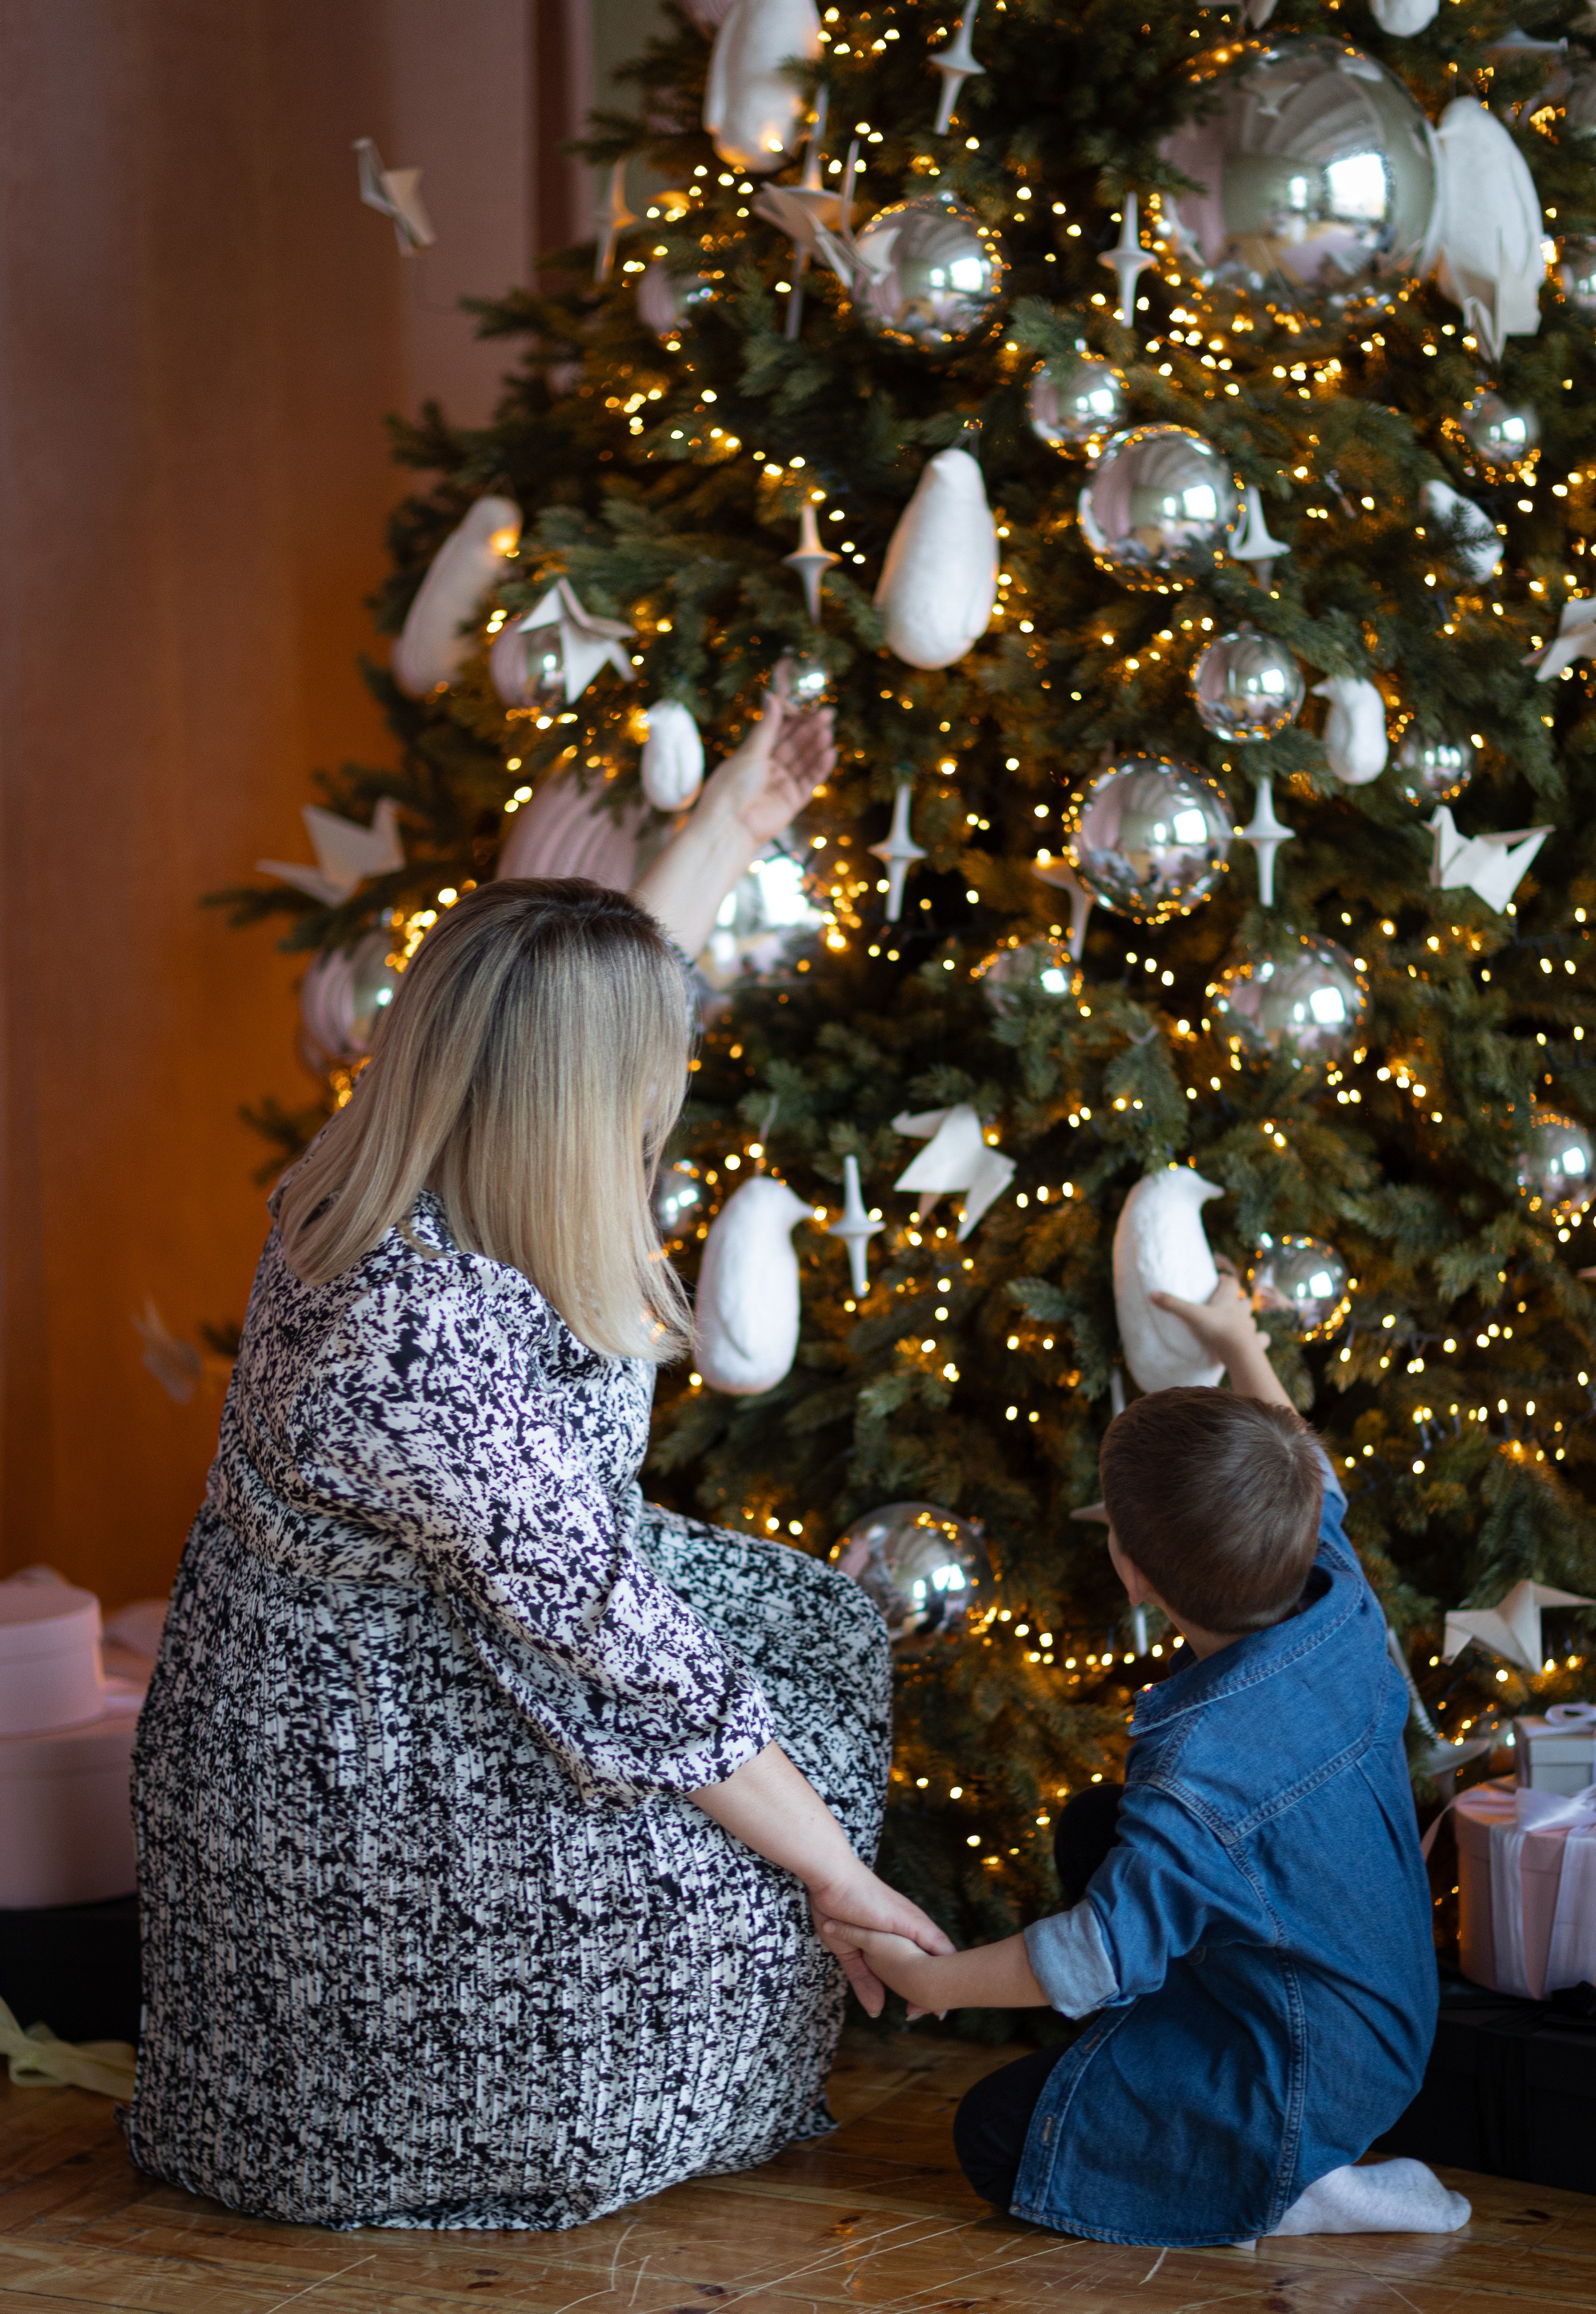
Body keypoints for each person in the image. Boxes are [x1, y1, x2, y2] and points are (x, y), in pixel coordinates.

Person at [130, 696, 950, 2231]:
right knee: (717, 1825)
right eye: (652, 1069)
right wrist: (841, 1872)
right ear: (582, 1103)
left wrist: (724, 832)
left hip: (477, 1627)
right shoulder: (408, 1329)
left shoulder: (414, 1142)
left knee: (804, 1646)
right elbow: (628, 1656)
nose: (669, 1088)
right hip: (363, 1764)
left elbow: (567, 1001)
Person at [821, 1275, 1466, 2248]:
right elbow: (1316, 1477)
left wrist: (932, 1984)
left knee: (996, 2138)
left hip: (1307, 2066)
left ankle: (1298, 2184)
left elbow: (1098, 1952)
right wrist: (1242, 1342)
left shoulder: (1207, 1770)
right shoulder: (1335, 1593)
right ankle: (1199, 2093)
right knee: (1096, 1826)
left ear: (1130, 1570)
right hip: (1378, 1997)